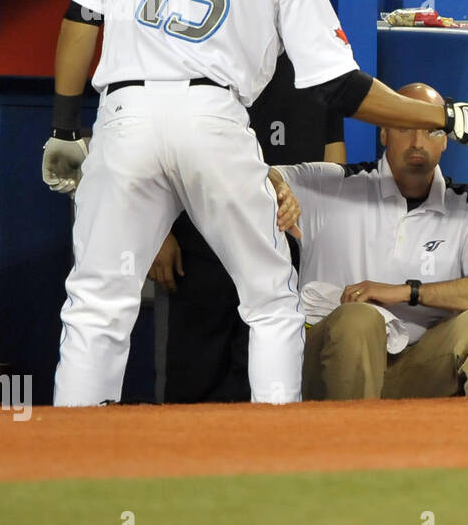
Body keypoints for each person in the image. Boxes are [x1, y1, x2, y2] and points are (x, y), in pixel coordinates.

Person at [40, 0, 468, 407]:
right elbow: (342, 89)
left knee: (96, 301)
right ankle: (278, 449)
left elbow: (82, 18)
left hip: (124, 110)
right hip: (209, 114)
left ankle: (72, 459)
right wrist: (445, 119)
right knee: (269, 298)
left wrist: (65, 126)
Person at [274, 83, 468, 400]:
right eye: (404, 127)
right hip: (330, 367)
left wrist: (406, 292)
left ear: (446, 139)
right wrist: (278, 189)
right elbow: (257, 174)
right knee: (360, 317)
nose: (417, 142)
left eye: (431, 130)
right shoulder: (334, 186)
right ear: (384, 134)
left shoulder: (467, 206)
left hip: (418, 366)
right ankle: (346, 445)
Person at [149, 51, 347, 403]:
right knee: (190, 380)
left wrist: (316, 232)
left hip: (281, 248)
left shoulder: (317, 70)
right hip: (195, 249)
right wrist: (157, 233)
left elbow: (333, 168)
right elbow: (159, 148)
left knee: (261, 371)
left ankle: (260, 455)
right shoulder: (204, 59)